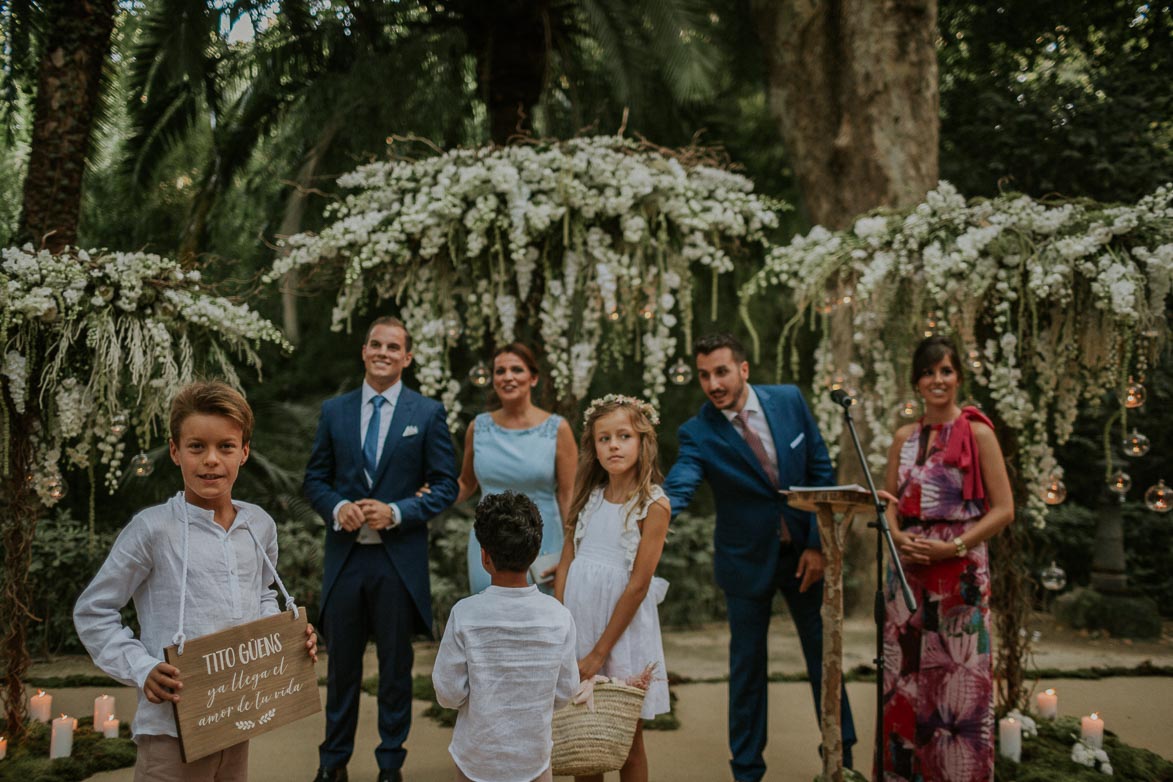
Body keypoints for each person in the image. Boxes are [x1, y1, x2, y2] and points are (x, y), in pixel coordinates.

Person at [74, 380, 318, 782]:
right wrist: (143, 667)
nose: (210, 460)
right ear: (175, 451)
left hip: (237, 717)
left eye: (225, 446)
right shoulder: (152, 530)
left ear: (244, 452)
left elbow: (261, 593)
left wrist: (286, 639)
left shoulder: (259, 525)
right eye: (196, 447)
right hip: (172, 730)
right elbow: (93, 611)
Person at [662, 332, 857, 781]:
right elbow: (682, 482)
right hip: (744, 561)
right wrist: (653, 508)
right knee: (747, 671)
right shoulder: (697, 432)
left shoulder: (789, 400)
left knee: (825, 656)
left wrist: (815, 545)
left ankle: (842, 755)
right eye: (704, 375)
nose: (713, 383)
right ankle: (747, 770)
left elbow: (819, 467)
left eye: (722, 371)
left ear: (743, 369)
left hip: (805, 555)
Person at [304, 316, 459, 782]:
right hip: (347, 560)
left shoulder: (427, 413)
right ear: (364, 351)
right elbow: (315, 479)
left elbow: (446, 485)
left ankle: (390, 766)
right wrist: (338, 507)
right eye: (376, 344)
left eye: (394, 347)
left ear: (407, 357)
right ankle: (333, 764)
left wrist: (396, 512)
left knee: (395, 671)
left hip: (398, 563)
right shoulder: (335, 411)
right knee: (342, 672)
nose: (383, 352)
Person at [878, 335, 1013, 782]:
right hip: (908, 572)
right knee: (906, 679)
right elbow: (890, 503)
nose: (938, 380)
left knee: (956, 677)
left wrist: (953, 546)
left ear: (958, 378)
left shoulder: (978, 433)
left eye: (946, 371)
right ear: (916, 381)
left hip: (959, 572)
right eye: (929, 372)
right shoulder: (905, 437)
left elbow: (1003, 510)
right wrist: (897, 536)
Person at [555, 393, 672, 782]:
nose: (614, 446)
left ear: (642, 442)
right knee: (583, 733)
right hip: (579, 622)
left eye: (624, 436)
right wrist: (558, 624)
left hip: (620, 634)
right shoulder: (585, 498)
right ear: (594, 447)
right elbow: (567, 561)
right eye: (604, 438)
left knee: (625, 738)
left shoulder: (652, 505)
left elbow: (638, 587)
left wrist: (598, 653)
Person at [432, 491, 579, 782]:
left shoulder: (465, 615)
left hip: (476, 759)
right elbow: (566, 691)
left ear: (485, 556)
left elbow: (449, 693)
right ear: (535, 553)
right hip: (534, 759)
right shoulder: (558, 616)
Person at [457, 343, 577, 594]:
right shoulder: (477, 427)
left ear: (533, 378)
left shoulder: (558, 428)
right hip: (488, 540)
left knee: (542, 619)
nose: (508, 377)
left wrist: (571, 552)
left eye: (516, 370)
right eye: (500, 371)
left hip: (544, 541)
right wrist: (425, 495)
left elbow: (568, 494)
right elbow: (466, 484)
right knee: (488, 616)